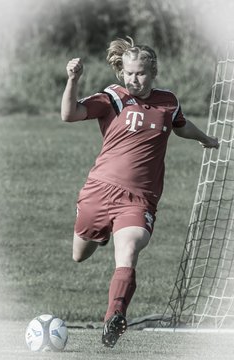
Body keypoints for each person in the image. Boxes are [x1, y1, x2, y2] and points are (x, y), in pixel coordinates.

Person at [61, 37, 219, 348]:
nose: (134, 79)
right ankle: (103, 233)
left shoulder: (168, 102)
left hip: (139, 199)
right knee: (79, 254)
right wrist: (73, 80)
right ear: (122, 72)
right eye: (130, 73)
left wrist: (205, 139)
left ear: (153, 72)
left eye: (141, 73)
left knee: (129, 250)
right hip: (99, 191)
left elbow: (181, 125)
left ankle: (115, 316)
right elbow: (70, 114)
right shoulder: (112, 98)